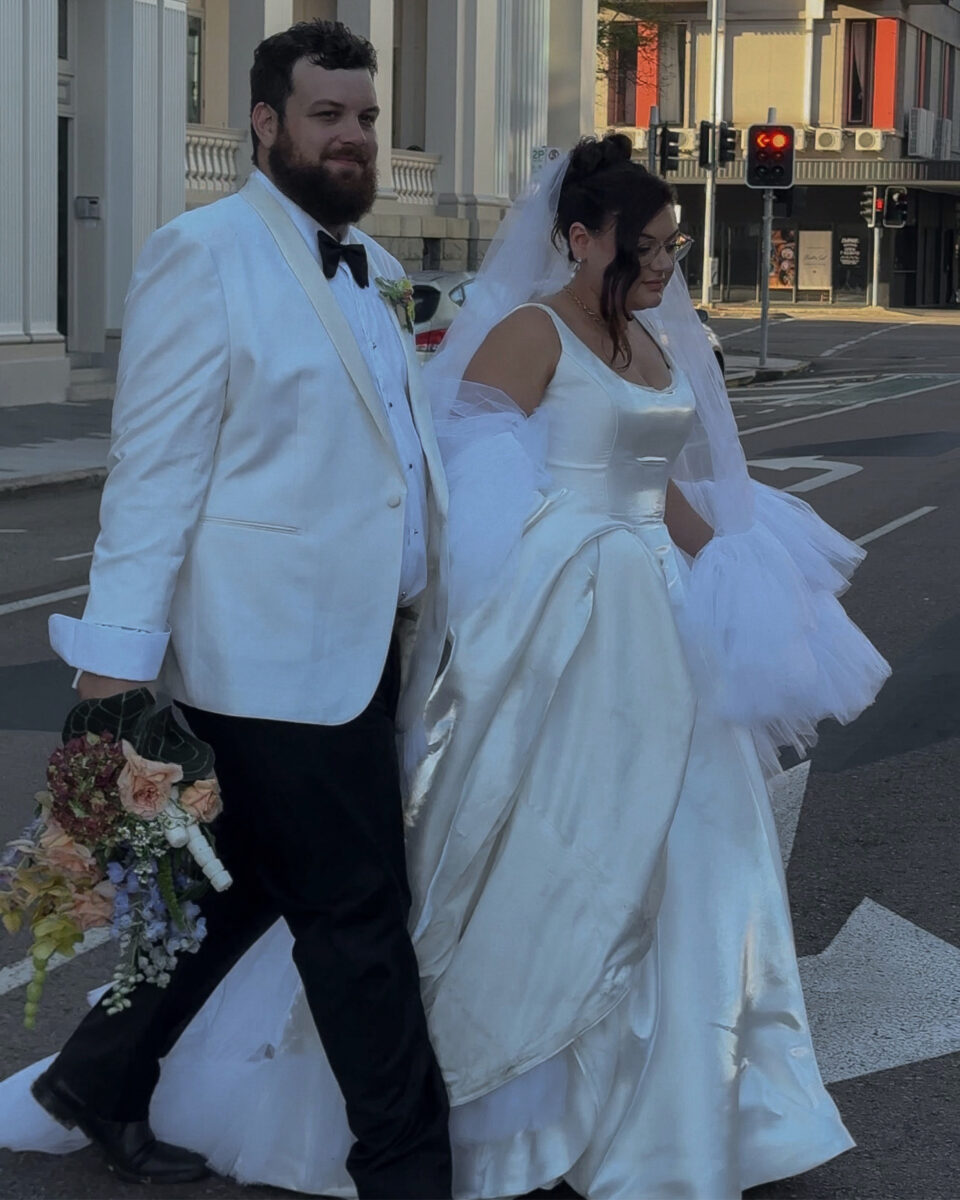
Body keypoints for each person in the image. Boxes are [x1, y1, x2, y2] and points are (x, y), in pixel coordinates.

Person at [0, 137, 889, 1198]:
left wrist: (735, 565)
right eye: (645, 247)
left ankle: (687, 1111)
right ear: (579, 238)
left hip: (656, 626)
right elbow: (467, 485)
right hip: (552, 633)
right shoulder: (527, 332)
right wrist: (581, 561)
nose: (664, 265)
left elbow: (655, 481)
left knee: (685, 853)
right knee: (437, 882)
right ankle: (456, 1138)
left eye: (673, 247)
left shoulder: (648, 337)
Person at [6, 20, 452, 1200]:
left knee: (241, 882)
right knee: (358, 919)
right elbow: (153, 474)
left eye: (365, 118)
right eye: (327, 115)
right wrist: (111, 673)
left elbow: (396, 457)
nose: (353, 138)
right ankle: (408, 1170)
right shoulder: (201, 254)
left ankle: (94, 1082)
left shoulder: (378, 268)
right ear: (265, 123)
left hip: (368, 644)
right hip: (266, 658)